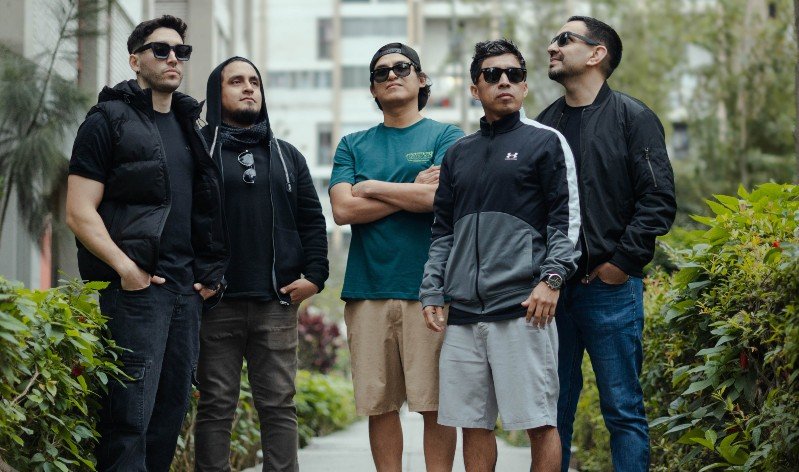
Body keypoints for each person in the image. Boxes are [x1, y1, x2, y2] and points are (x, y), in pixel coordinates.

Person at [65, 15, 227, 471]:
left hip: (185, 292)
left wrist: (208, 275)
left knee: (168, 417)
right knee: (128, 418)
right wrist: (126, 269)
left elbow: (202, 212)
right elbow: (78, 210)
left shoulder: (190, 125)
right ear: (135, 60)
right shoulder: (107, 120)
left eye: (181, 51)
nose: (173, 57)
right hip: (137, 292)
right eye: (161, 50)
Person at [419, 39, 581, 472]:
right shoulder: (458, 153)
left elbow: (566, 220)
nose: (504, 81)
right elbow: (442, 231)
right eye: (492, 75)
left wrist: (552, 280)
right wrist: (432, 289)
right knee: (473, 425)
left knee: (539, 422)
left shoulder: (545, 142)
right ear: (476, 88)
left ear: (525, 86)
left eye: (514, 74)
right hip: (464, 313)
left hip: (523, 308)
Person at [536, 16, 677, 472]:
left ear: (597, 54)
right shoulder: (544, 126)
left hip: (610, 289)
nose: (552, 47)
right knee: (551, 413)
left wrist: (621, 264)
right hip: (552, 293)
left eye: (565, 39)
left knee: (623, 410)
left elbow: (658, 200)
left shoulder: (633, 117)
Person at [328, 42, 464, 472]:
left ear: (421, 79)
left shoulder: (447, 137)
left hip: (430, 291)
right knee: (380, 405)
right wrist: (410, 189)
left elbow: (440, 199)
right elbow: (342, 210)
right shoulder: (352, 144)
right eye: (381, 72)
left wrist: (371, 187)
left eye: (402, 67)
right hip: (367, 290)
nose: (391, 75)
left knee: (435, 404)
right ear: (373, 88)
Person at [193, 56, 329, 472]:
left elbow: (311, 220)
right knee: (216, 404)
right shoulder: (198, 150)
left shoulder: (286, 156)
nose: (249, 87)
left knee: (279, 404)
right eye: (236, 81)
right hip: (217, 303)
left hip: (275, 302)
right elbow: (182, 219)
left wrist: (315, 277)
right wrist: (198, 277)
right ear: (217, 92)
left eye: (254, 81)